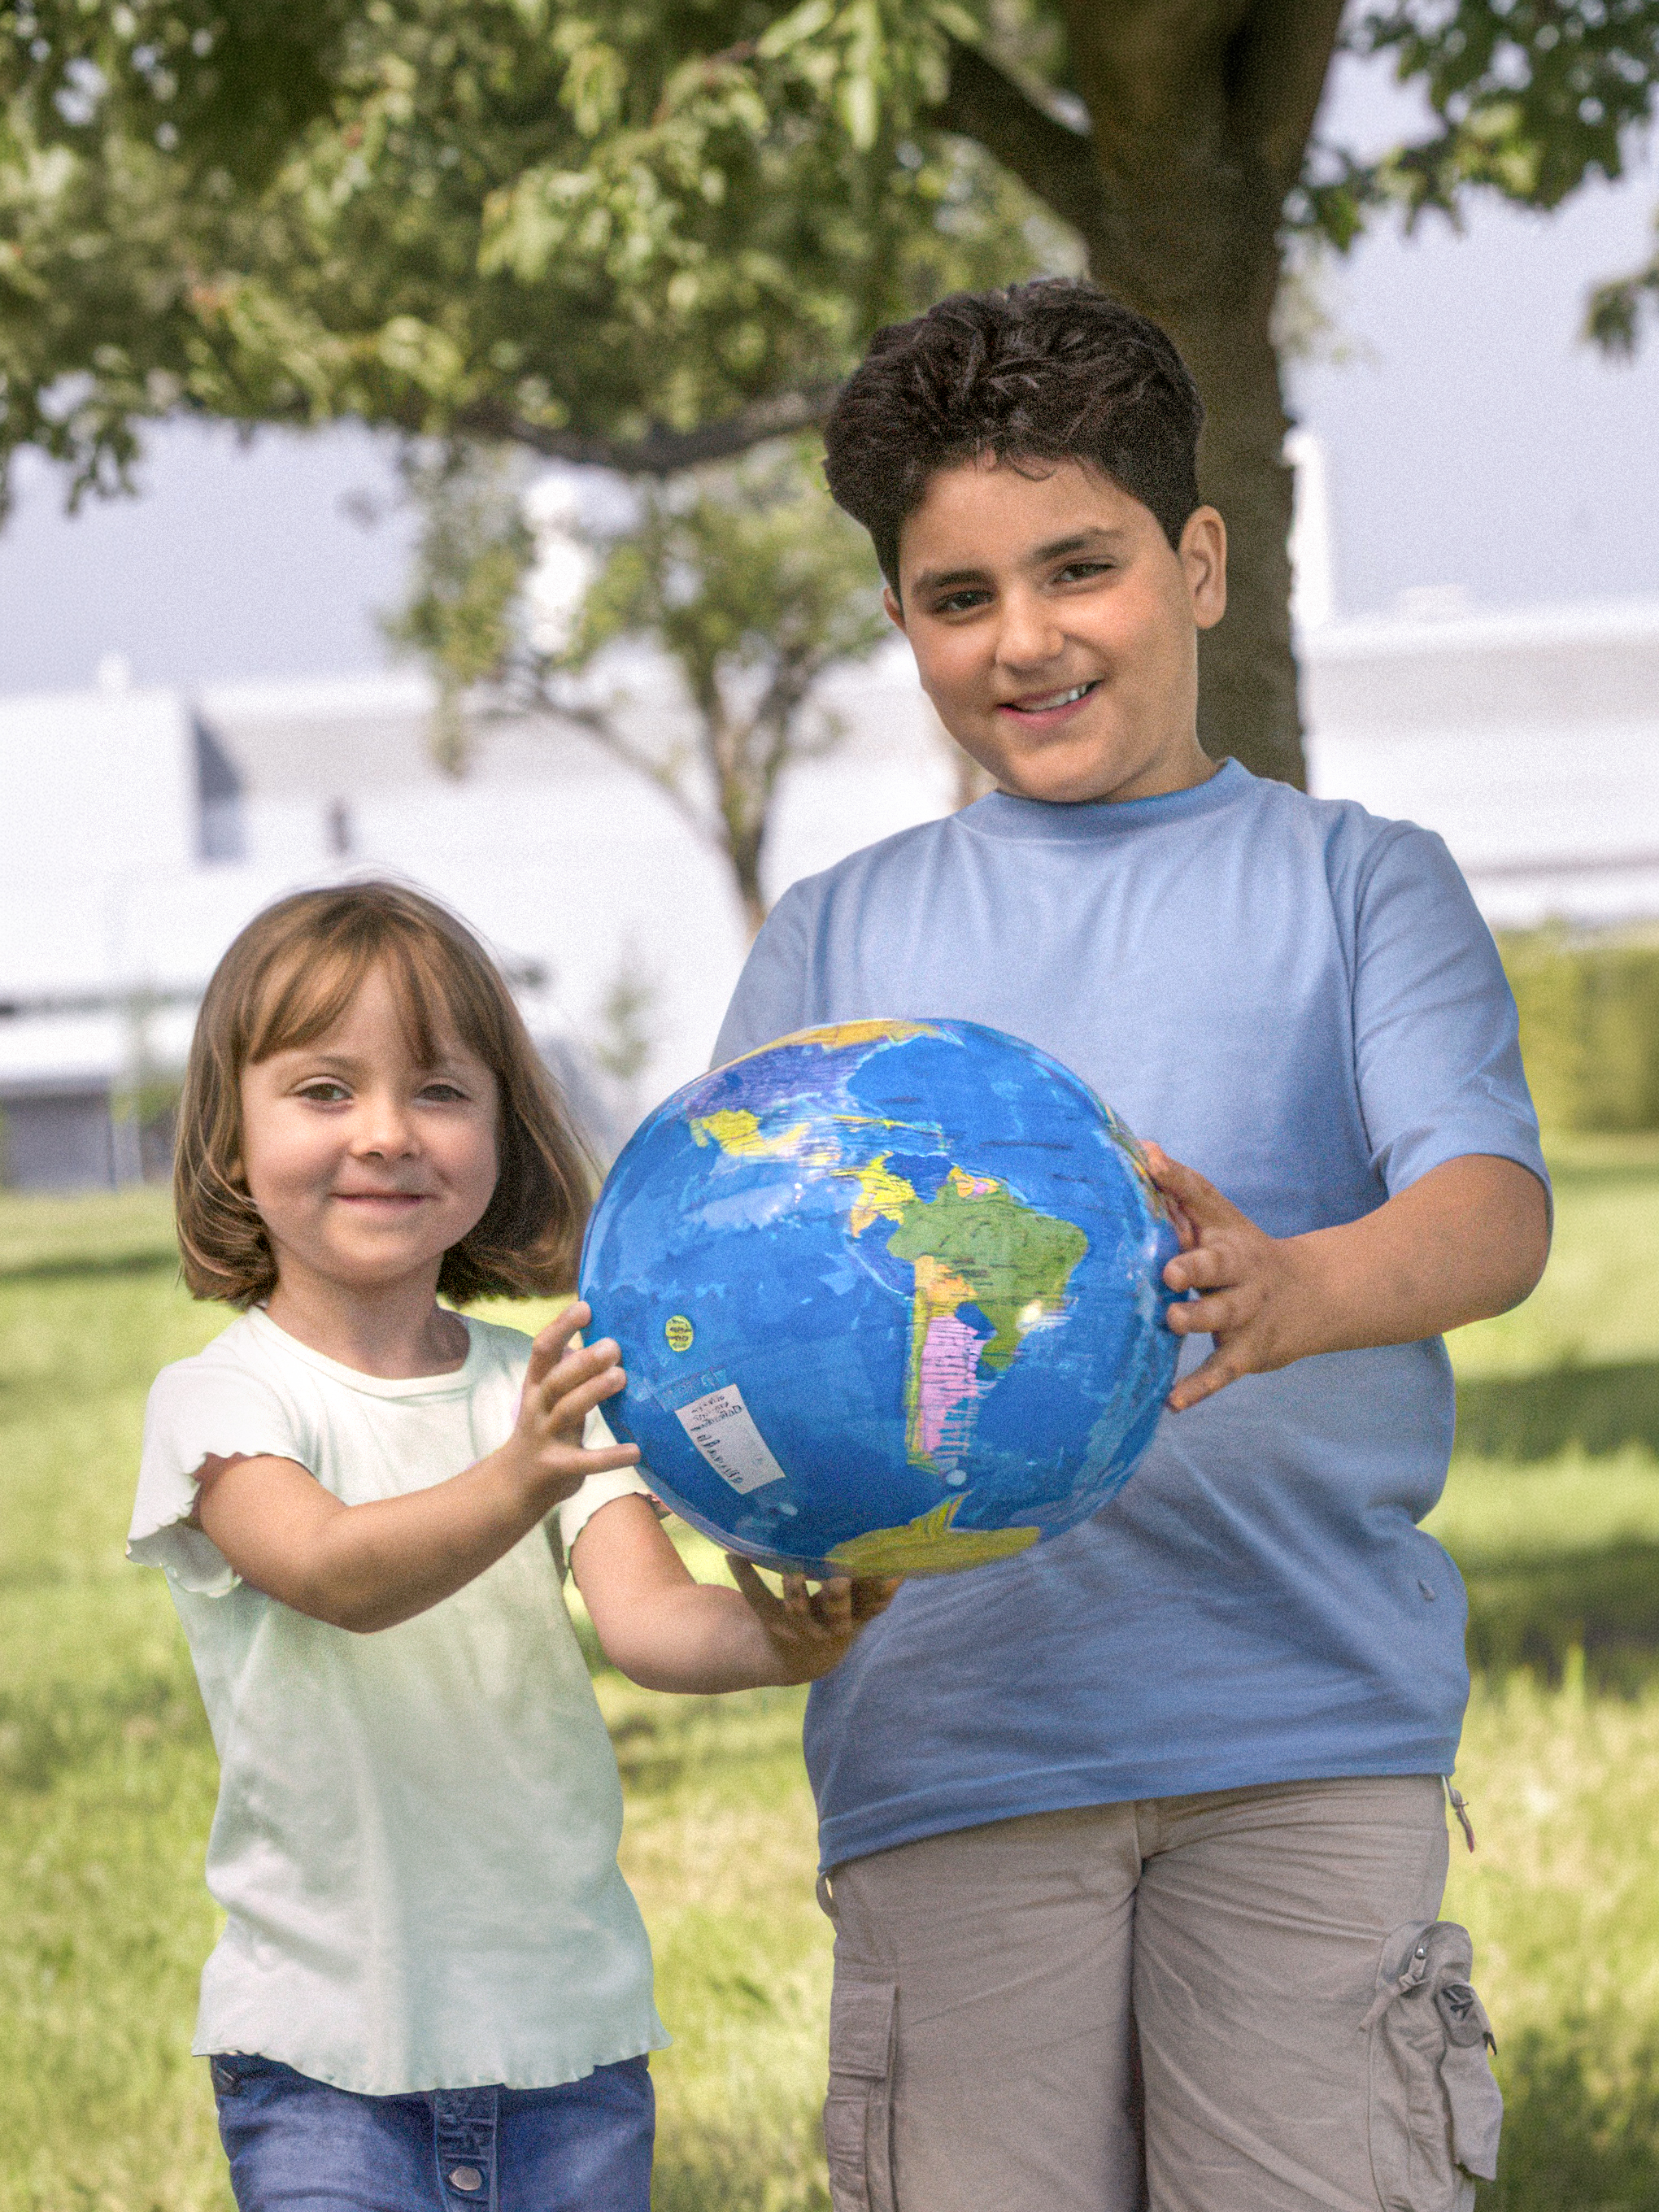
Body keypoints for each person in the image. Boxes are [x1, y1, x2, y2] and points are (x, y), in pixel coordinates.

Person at [712, 280, 1551, 2212]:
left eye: (1078, 568)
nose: (1025, 640)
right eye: (954, 597)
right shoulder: (834, 946)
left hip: (1303, 1728)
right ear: (904, 620)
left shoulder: (1360, 886)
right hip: (955, 1744)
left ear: (1199, 564)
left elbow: (1491, 1208)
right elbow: (727, 1302)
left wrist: (1299, 1287)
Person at [127, 881, 891, 2212]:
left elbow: (649, 1620)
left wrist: (778, 1637)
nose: (385, 1135)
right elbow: (333, 1573)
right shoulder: (226, 1403)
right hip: (322, 2059)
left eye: (439, 1091)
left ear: (501, 1129)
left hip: (567, 2047)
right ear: (231, 1144)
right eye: (322, 1091)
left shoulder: (539, 1388)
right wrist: (518, 1473)